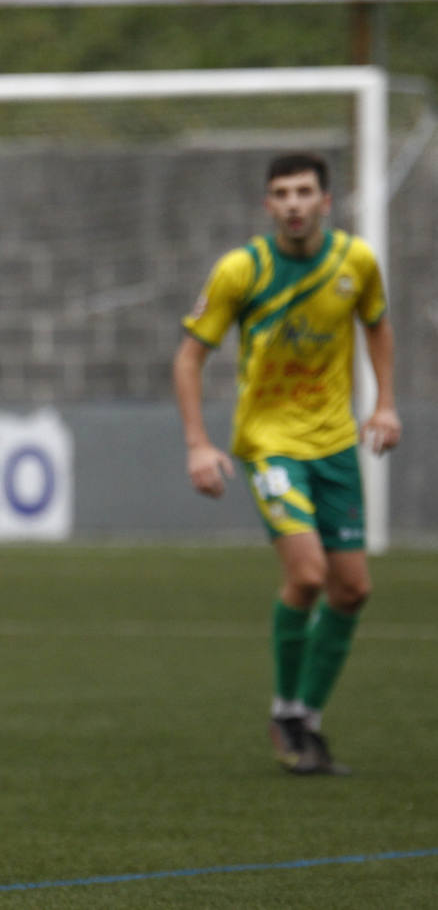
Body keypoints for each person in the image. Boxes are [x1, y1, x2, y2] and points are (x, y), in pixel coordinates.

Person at [172, 152, 401, 776]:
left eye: (305, 192)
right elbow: (189, 358)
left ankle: (307, 718)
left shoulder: (355, 263)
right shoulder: (241, 270)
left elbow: (377, 325)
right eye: (282, 193)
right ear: (267, 205)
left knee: (352, 589)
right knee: (307, 575)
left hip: (334, 445)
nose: (294, 203)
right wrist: (198, 442)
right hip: (270, 445)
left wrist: (384, 404)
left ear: (327, 202)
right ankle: (283, 710)